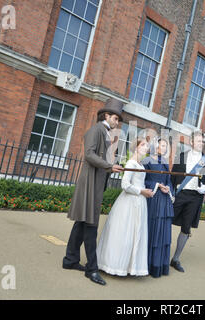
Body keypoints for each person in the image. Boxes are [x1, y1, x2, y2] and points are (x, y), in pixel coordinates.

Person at [62, 98, 124, 286]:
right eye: (115, 118)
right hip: (90, 183)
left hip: (95, 182)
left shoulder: (104, 132)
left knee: (81, 223)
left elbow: (101, 157)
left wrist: (111, 165)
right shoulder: (96, 130)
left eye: (118, 119)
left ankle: (70, 260)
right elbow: (89, 154)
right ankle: (92, 269)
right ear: (107, 116)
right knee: (90, 226)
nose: (117, 122)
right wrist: (109, 166)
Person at [96, 137, 154, 276]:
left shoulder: (141, 165)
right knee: (124, 233)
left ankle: (131, 267)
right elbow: (125, 184)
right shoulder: (132, 163)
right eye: (143, 145)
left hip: (139, 203)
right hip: (129, 202)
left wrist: (148, 191)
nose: (146, 147)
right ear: (136, 147)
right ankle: (113, 265)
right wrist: (141, 191)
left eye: (147, 145)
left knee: (135, 234)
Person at [170, 130, 205, 273]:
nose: (201, 143)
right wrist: (171, 193)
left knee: (186, 228)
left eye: (203, 141)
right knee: (166, 220)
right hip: (179, 195)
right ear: (192, 142)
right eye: (199, 141)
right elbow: (172, 177)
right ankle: (160, 254)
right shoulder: (181, 156)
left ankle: (175, 259)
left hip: (195, 198)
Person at [142, 137, 175, 278]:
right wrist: (157, 186)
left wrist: (168, 188)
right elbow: (142, 180)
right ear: (155, 146)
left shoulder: (165, 163)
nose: (164, 148)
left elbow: (169, 181)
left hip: (165, 202)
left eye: (166, 146)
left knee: (162, 234)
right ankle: (148, 265)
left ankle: (159, 266)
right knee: (152, 231)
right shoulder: (147, 161)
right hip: (153, 200)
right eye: (162, 145)